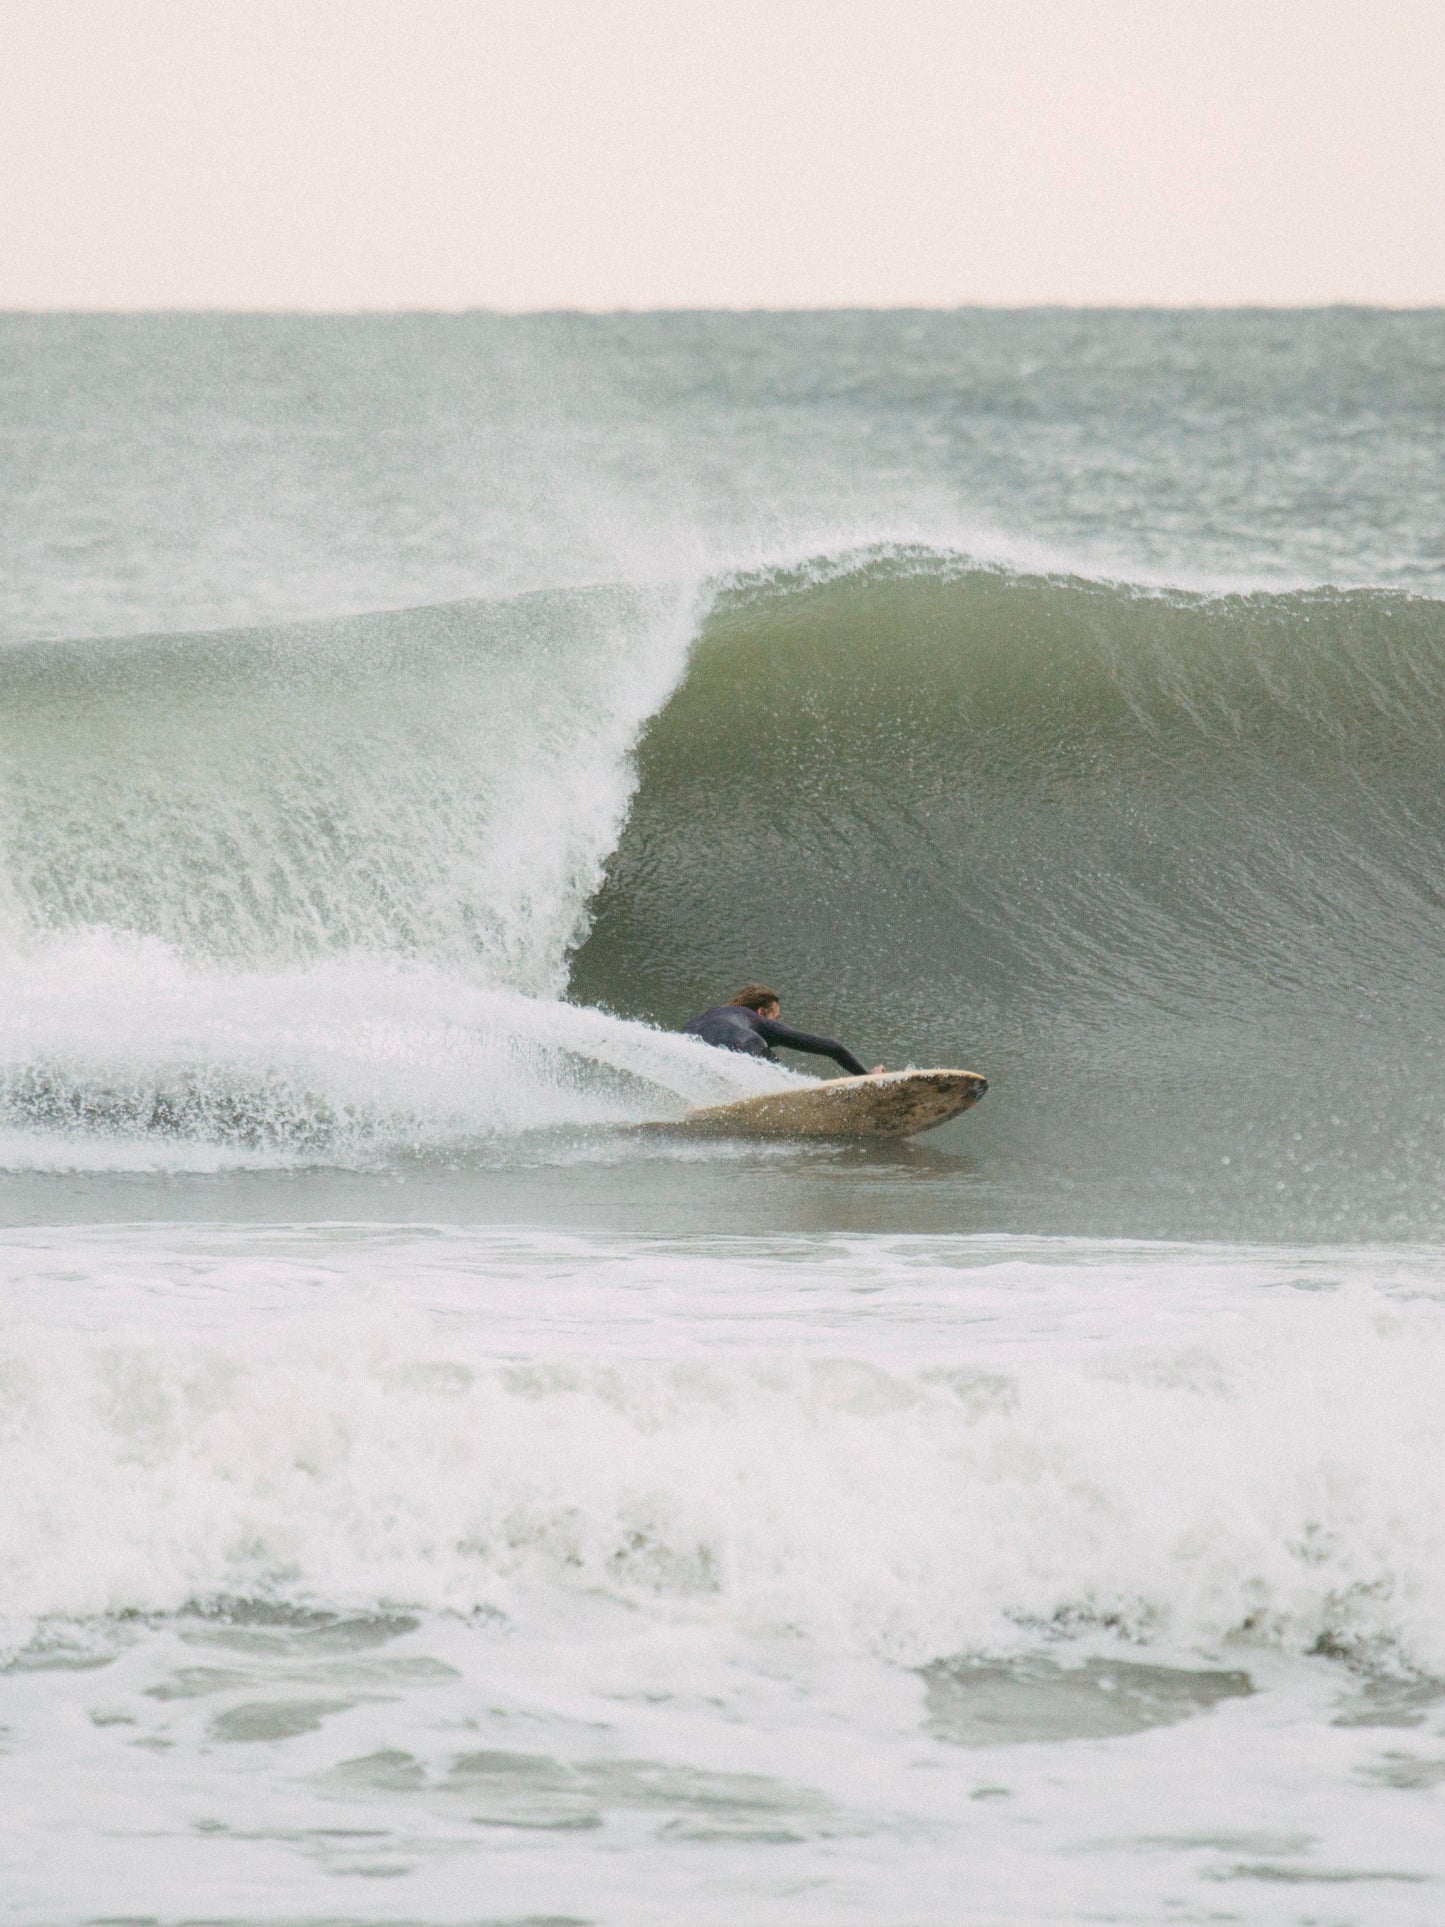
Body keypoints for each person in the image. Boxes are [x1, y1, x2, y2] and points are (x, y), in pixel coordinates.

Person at [683, 985, 883, 1077]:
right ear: (761, 1012)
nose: (777, 1023)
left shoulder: (700, 1019)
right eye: (776, 1018)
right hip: (744, 1045)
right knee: (783, 1079)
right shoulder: (756, 1020)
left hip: (691, 1052)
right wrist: (867, 1076)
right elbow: (833, 1048)